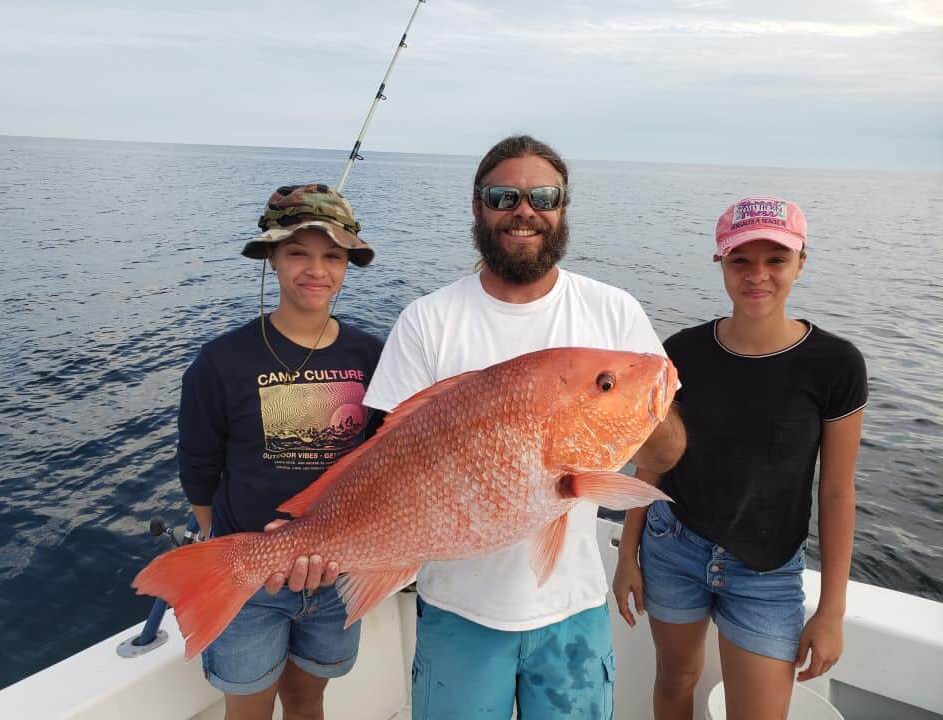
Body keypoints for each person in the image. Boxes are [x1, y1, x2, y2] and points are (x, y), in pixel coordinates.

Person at [363, 135, 686, 720]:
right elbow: (383, 461)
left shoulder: (612, 312)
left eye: (543, 195)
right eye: (504, 195)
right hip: (457, 609)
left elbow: (667, 450)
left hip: (573, 609)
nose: (524, 209)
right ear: (477, 207)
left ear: (562, 208)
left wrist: (637, 408)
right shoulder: (428, 321)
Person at [613, 197, 867, 719]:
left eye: (775, 260)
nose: (758, 276)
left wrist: (832, 610)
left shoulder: (836, 365)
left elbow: (837, 491)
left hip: (768, 572)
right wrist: (626, 554)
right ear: (720, 264)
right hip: (673, 546)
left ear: (801, 262)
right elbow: (655, 460)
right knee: (674, 681)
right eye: (741, 260)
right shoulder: (682, 352)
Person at [177, 183, 384, 720]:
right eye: (298, 253)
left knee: (306, 698)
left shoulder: (373, 354)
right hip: (250, 581)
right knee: (247, 708)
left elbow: (389, 459)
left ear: (346, 266)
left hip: (339, 576)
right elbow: (199, 470)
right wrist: (230, 545)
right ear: (270, 257)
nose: (316, 270)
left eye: (332, 256)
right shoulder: (220, 361)